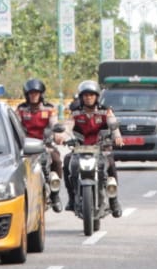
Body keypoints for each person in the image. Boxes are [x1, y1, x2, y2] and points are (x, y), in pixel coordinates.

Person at [65, 80, 123, 218]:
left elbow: (112, 123)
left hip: (101, 149)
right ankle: (72, 198)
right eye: (85, 95)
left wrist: (117, 136)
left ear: (96, 96)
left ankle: (114, 200)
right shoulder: (75, 112)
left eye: (91, 95)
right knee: (67, 162)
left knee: (111, 166)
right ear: (81, 97)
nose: (88, 98)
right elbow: (67, 126)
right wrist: (63, 136)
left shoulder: (105, 110)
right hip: (80, 149)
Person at [16, 78, 62, 210]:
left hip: (46, 146)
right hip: (26, 148)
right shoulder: (21, 109)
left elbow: (54, 123)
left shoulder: (49, 109)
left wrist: (57, 133)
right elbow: (16, 124)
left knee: (57, 161)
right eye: (31, 94)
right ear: (27, 95)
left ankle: (55, 194)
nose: (34, 96)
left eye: (36, 93)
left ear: (41, 94)